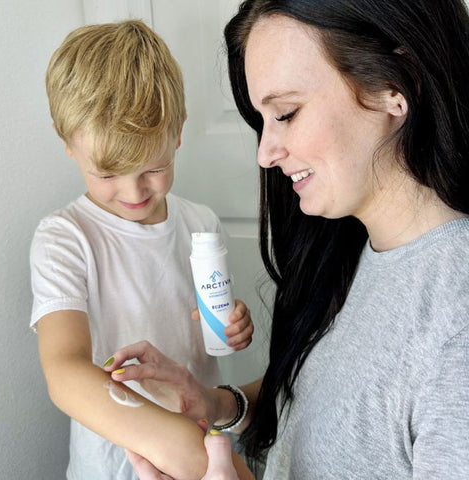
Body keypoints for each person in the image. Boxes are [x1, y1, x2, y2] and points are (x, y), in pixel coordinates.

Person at [104, 0, 469, 478]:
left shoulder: (455, 319)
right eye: (263, 120)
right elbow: (327, 410)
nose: (265, 154)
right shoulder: (351, 248)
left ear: (393, 87)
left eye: (287, 113)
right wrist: (214, 403)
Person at [29, 20, 255, 480]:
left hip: (202, 451)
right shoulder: (65, 239)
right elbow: (65, 368)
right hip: (116, 465)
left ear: (177, 133)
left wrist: (233, 325)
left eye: (153, 167)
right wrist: (178, 442)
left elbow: (203, 324)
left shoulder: (200, 225)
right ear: (66, 141)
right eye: (109, 174)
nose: (134, 191)